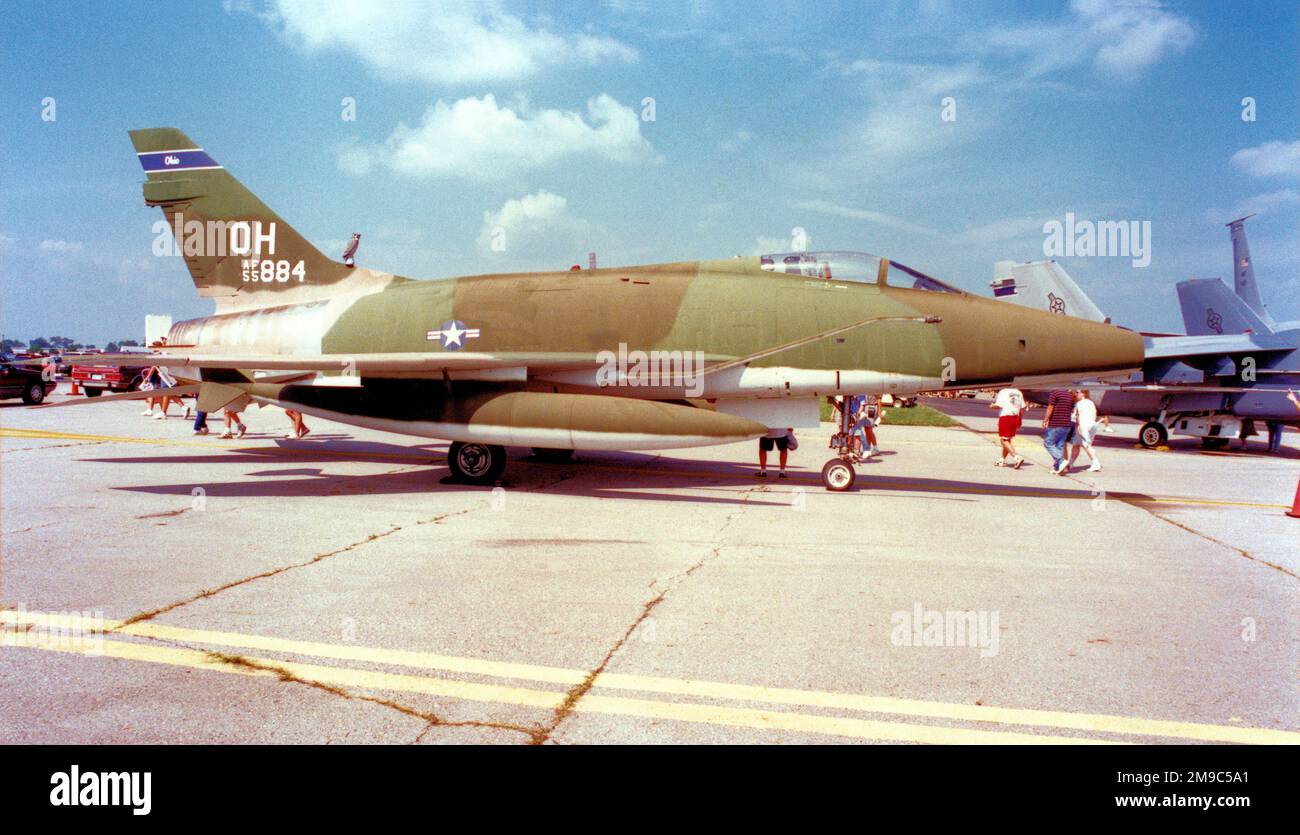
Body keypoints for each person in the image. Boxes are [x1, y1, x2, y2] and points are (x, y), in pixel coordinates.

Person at [1041, 388, 1076, 474]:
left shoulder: (1055, 393)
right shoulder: (1070, 395)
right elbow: (1071, 410)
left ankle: (1061, 460)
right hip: (1067, 424)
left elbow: (1050, 407)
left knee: (1048, 443)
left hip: (1056, 423)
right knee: (1059, 445)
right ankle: (1058, 467)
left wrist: (1045, 419)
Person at [990, 386, 1026, 468]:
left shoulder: (1003, 391)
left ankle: (1017, 458)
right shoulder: (1018, 392)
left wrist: (992, 406)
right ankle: (1002, 460)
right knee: (1007, 439)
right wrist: (1020, 420)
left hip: (1005, 417)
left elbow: (998, 405)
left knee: (1003, 440)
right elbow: (1022, 408)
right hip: (1015, 417)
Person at [1067, 389, 1102, 472]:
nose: (1076, 394)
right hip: (1092, 424)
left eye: (1077, 392)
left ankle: (1096, 463)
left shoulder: (1079, 404)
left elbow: (1077, 416)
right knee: (1076, 444)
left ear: (1083, 393)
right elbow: (1094, 414)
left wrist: (1079, 427)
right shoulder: (1091, 402)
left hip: (1083, 425)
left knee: (1086, 445)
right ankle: (1070, 463)